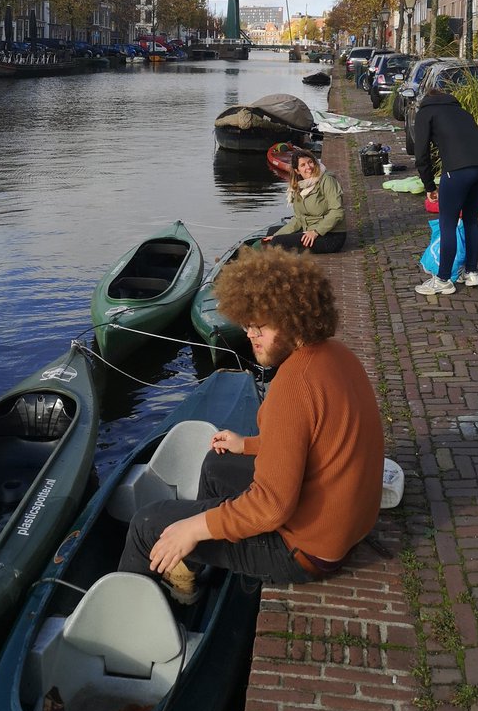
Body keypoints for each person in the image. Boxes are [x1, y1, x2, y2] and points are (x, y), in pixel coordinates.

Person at [118, 248, 384, 601]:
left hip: (306, 549)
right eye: (247, 324)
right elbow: (317, 439)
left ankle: (130, 621)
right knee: (216, 464)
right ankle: (191, 568)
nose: (249, 335)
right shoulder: (337, 355)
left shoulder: (293, 384)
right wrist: (250, 445)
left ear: (292, 320)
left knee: (147, 524)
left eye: (260, 326)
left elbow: (272, 505)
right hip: (344, 523)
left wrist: (193, 528)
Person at [413, 87, 478, 296]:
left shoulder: (426, 112)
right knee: (470, 219)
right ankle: (471, 273)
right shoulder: (461, 111)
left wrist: (429, 186)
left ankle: (442, 280)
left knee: (448, 223)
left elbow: (421, 153)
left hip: (459, 170)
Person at [262, 148, 346, 254]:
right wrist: (275, 235)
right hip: (310, 229)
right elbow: (298, 219)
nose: (308, 167)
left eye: (310, 162)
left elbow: (337, 212)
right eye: (303, 165)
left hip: (330, 235)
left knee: (278, 242)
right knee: (272, 232)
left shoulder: (327, 180)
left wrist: (316, 232)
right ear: (297, 170)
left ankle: (276, 266)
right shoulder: (298, 187)